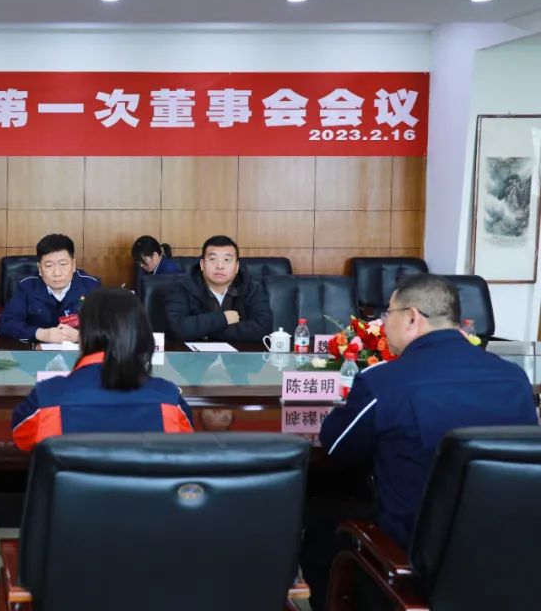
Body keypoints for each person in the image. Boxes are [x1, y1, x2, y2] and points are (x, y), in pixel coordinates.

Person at [302, 273, 538, 609]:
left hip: (413, 560)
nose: (384, 323)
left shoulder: (385, 381)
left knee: (321, 525)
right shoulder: (513, 377)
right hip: (509, 552)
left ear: (412, 317)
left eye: (388, 313)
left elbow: (337, 444)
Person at [11, 287, 193, 451]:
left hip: (74, 480)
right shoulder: (170, 400)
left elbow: (21, 440)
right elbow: (184, 447)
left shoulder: (46, 398)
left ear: (83, 335)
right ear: (142, 334)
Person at [163, 234, 272, 343]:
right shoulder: (182, 288)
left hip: (241, 353)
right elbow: (176, 328)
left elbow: (263, 329)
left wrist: (205, 332)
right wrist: (223, 319)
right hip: (194, 354)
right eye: (213, 259)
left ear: (236, 267)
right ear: (202, 264)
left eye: (227, 259)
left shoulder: (252, 288)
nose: (220, 266)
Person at [0, 233, 101, 344]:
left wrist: (81, 336)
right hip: (37, 351)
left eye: (63, 264)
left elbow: (108, 328)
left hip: (78, 352)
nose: (57, 273)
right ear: (39, 268)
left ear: (73, 264)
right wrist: (40, 333)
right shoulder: (26, 287)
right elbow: (5, 325)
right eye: (49, 265)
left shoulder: (91, 286)